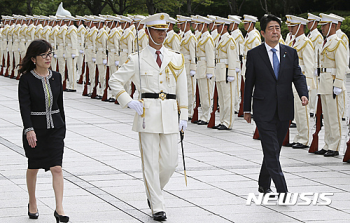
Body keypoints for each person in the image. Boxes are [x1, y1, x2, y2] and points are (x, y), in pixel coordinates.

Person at [109, 13, 188, 221]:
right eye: (157, 30)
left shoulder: (176, 57)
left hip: (170, 114)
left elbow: (183, 88)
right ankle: (157, 205)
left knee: (171, 163)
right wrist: (127, 100)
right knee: (150, 162)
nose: (162, 34)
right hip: (147, 114)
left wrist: (185, 114)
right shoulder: (137, 58)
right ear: (147, 32)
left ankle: (153, 193)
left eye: (164, 30)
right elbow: (115, 81)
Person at [244, 14, 308, 195]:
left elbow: (298, 75)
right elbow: (249, 82)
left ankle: (264, 183)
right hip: (263, 109)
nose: (275, 31)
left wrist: (303, 93)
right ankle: (282, 190)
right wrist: (246, 109)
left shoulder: (290, 52)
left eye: (277, 28)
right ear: (263, 32)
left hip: (284, 108)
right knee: (271, 149)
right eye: (271, 28)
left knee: (274, 149)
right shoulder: (254, 54)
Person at [18, 39, 69, 223]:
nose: (48, 58)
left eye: (50, 54)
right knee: (33, 167)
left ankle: (60, 209)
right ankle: (32, 202)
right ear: (34, 58)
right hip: (36, 129)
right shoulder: (26, 79)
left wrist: (62, 126)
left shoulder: (56, 76)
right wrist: (29, 129)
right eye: (44, 55)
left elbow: (60, 105)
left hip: (55, 128)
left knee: (57, 167)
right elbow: (24, 106)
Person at [314, 13, 347, 157]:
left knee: (334, 117)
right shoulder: (326, 41)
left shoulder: (338, 42)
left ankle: (335, 146)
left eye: (325, 25)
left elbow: (342, 66)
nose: (322, 28)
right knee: (326, 117)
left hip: (333, 82)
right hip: (325, 83)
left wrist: (338, 83)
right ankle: (327, 143)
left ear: (332, 26)